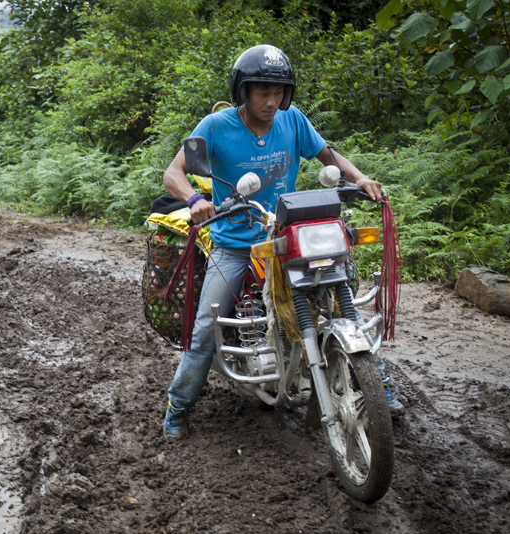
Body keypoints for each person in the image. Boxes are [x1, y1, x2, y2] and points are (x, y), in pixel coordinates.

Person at [161, 45, 405, 441]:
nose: (272, 102)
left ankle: (377, 388)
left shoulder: (292, 121)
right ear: (244, 91)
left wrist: (359, 177)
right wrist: (195, 199)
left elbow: (329, 156)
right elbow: (174, 173)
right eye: (262, 93)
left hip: (285, 236)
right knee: (206, 325)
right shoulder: (216, 126)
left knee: (341, 300)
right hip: (235, 244)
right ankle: (178, 406)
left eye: (278, 93)